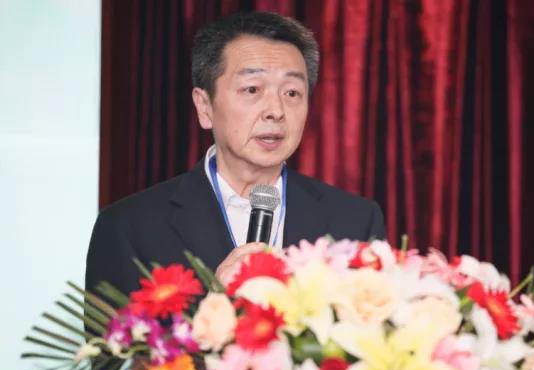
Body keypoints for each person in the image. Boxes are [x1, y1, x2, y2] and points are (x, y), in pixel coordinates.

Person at [85, 11, 386, 300]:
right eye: (252, 89)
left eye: (292, 93)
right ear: (205, 107)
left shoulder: (355, 222)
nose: (276, 111)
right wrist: (215, 304)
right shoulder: (129, 227)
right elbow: (115, 338)